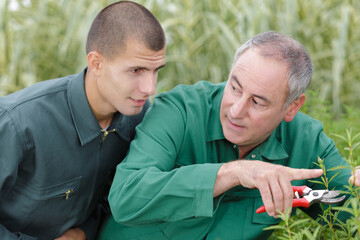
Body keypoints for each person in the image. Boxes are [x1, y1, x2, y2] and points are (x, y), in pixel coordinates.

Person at [99, 31, 357, 239]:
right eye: (234, 87)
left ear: (291, 107)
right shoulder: (180, 110)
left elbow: (350, 214)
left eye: (257, 102)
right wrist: (232, 173)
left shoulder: (307, 141)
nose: (235, 110)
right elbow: (126, 197)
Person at [0, 1, 166, 239]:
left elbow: (120, 197)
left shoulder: (137, 117)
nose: (150, 88)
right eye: (136, 71)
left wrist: (82, 232)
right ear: (96, 63)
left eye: (156, 70)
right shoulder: (17, 122)